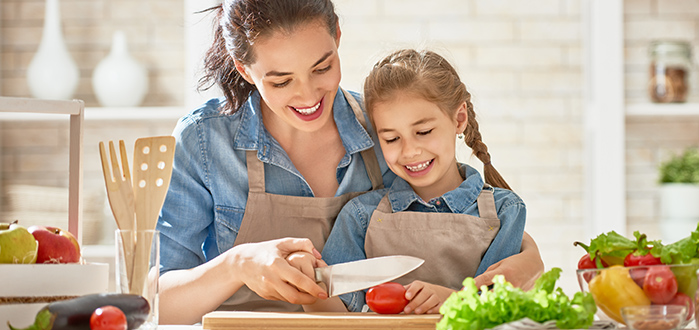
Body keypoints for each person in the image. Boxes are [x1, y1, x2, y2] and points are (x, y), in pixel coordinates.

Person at [156, 0, 543, 324]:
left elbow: (456, 218)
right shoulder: (205, 141)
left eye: (322, 67)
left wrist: (527, 259)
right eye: (281, 81)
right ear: (245, 70)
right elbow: (157, 306)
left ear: (338, 36)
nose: (308, 94)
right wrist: (237, 264)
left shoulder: (387, 130)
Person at [289, 49, 536, 314]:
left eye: (423, 132)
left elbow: (499, 310)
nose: (409, 151)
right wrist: (307, 286)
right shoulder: (361, 216)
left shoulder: (505, 211)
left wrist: (453, 301)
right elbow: (337, 317)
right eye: (392, 139)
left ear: (459, 119)